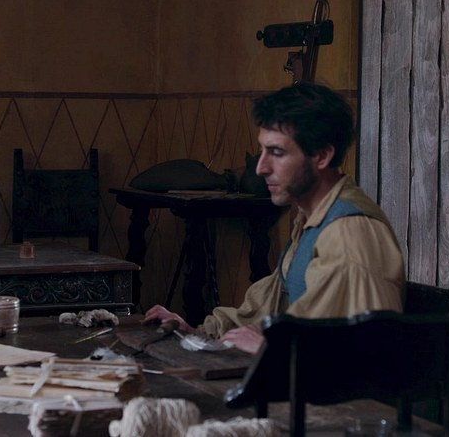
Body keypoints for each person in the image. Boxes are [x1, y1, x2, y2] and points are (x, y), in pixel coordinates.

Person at [143, 82, 406, 354]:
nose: (260, 168)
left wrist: (269, 348)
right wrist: (196, 331)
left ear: (321, 156)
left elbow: (363, 354)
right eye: (263, 151)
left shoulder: (348, 235)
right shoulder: (312, 219)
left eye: (277, 153)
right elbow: (267, 307)